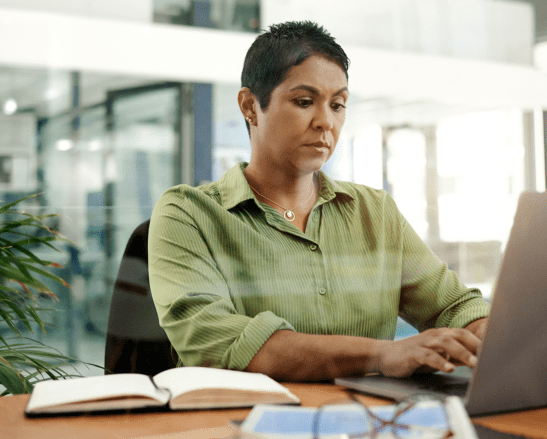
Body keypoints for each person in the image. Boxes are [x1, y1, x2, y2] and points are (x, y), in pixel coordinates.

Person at [148, 21, 490, 381]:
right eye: (305, 102)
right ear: (250, 106)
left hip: (373, 424)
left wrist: (490, 336)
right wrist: (381, 354)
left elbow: (454, 307)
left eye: (338, 105)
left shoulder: (374, 212)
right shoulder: (188, 213)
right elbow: (217, 342)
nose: (326, 122)